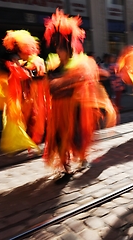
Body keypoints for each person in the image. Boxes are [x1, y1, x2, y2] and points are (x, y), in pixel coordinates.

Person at [43, 9, 116, 177]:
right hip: (57, 111)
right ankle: (65, 168)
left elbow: (87, 81)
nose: (58, 52)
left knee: (75, 140)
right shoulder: (53, 66)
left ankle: (81, 159)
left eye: (61, 48)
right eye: (56, 48)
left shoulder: (79, 65)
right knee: (59, 140)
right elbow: (48, 86)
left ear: (68, 49)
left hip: (74, 110)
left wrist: (60, 83)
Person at [0, 30, 47, 153]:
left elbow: (38, 77)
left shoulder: (35, 62)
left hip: (32, 97)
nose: (20, 55)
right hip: (22, 98)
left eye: (21, 51)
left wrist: (26, 73)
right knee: (20, 120)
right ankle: (24, 140)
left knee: (33, 120)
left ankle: (30, 140)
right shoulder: (19, 64)